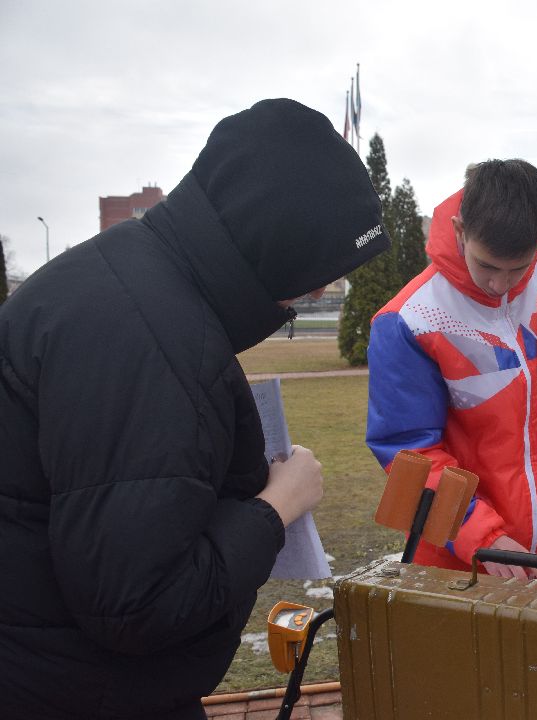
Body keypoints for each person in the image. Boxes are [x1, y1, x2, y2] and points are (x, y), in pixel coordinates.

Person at [0, 98, 388, 719]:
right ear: (275, 241)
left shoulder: (131, 277)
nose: (318, 290)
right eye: (321, 268)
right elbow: (135, 604)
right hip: (75, 691)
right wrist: (275, 508)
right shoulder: (151, 339)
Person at [365, 159, 537, 580]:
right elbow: (411, 454)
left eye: (519, 268)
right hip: (456, 559)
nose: (500, 284)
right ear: (460, 231)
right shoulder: (411, 319)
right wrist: (483, 536)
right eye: (488, 266)